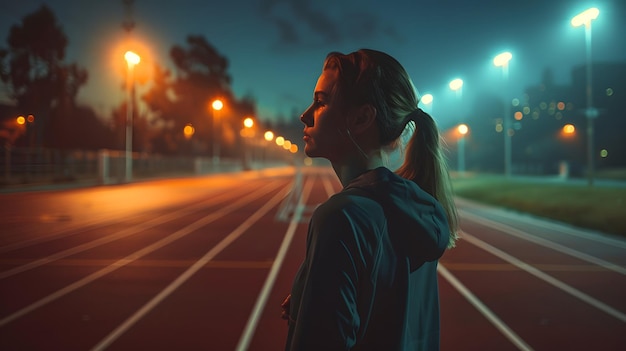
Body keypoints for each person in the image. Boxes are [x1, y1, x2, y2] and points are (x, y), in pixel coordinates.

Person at [282, 49, 459, 351]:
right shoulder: (419, 209)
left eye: (321, 102)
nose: (305, 114)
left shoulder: (342, 218)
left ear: (362, 117)